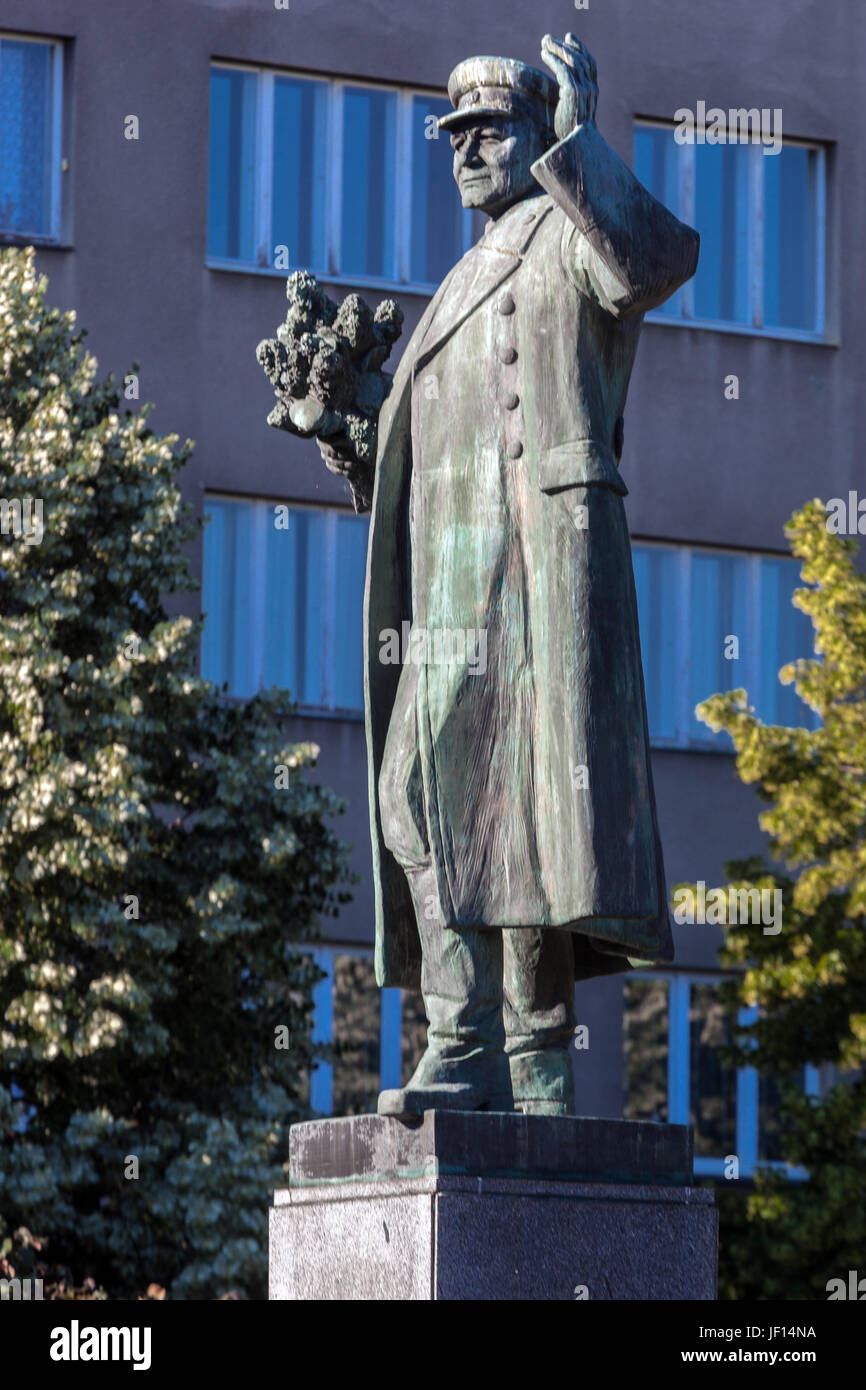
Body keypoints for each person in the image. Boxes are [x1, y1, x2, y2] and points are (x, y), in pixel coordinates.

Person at [319, 33, 699, 1117]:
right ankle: (494, 1057)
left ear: (535, 138)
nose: (466, 150)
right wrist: (345, 427)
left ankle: (497, 1054)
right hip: (452, 597)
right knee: (454, 808)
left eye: (490, 131)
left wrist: (581, 143)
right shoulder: (454, 285)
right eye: (455, 136)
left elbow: (655, 260)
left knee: (506, 811)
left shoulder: (565, 232)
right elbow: (421, 463)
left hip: (539, 568)